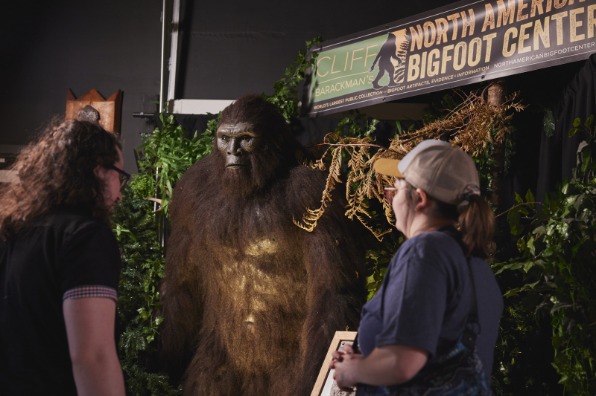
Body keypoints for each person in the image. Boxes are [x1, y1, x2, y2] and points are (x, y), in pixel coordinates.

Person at [331, 139, 503, 394]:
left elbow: (402, 363)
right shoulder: (474, 263)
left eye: (394, 190)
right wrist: (363, 357)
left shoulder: (424, 252)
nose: (390, 200)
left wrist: (350, 372)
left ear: (419, 198)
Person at [0, 118, 129, 395]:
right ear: (99, 171)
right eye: (120, 176)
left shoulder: (16, 233)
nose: (120, 195)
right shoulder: (86, 238)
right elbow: (92, 357)